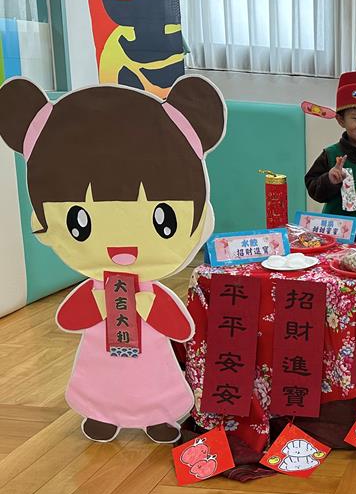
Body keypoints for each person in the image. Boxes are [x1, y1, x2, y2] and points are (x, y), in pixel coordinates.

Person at [0, 75, 225, 443]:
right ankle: (102, 411)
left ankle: (157, 416)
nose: (123, 248)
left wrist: (147, 306)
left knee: (154, 374)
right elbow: (70, 319)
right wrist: (99, 302)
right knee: (100, 375)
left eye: (164, 220)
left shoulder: (147, 289)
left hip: (151, 362)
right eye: (79, 223)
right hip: (101, 359)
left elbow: (179, 329)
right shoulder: (97, 287)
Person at [304, 70, 356, 240]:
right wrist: (329, 179)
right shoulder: (330, 155)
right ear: (341, 120)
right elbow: (314, 190)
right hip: (335, 238)